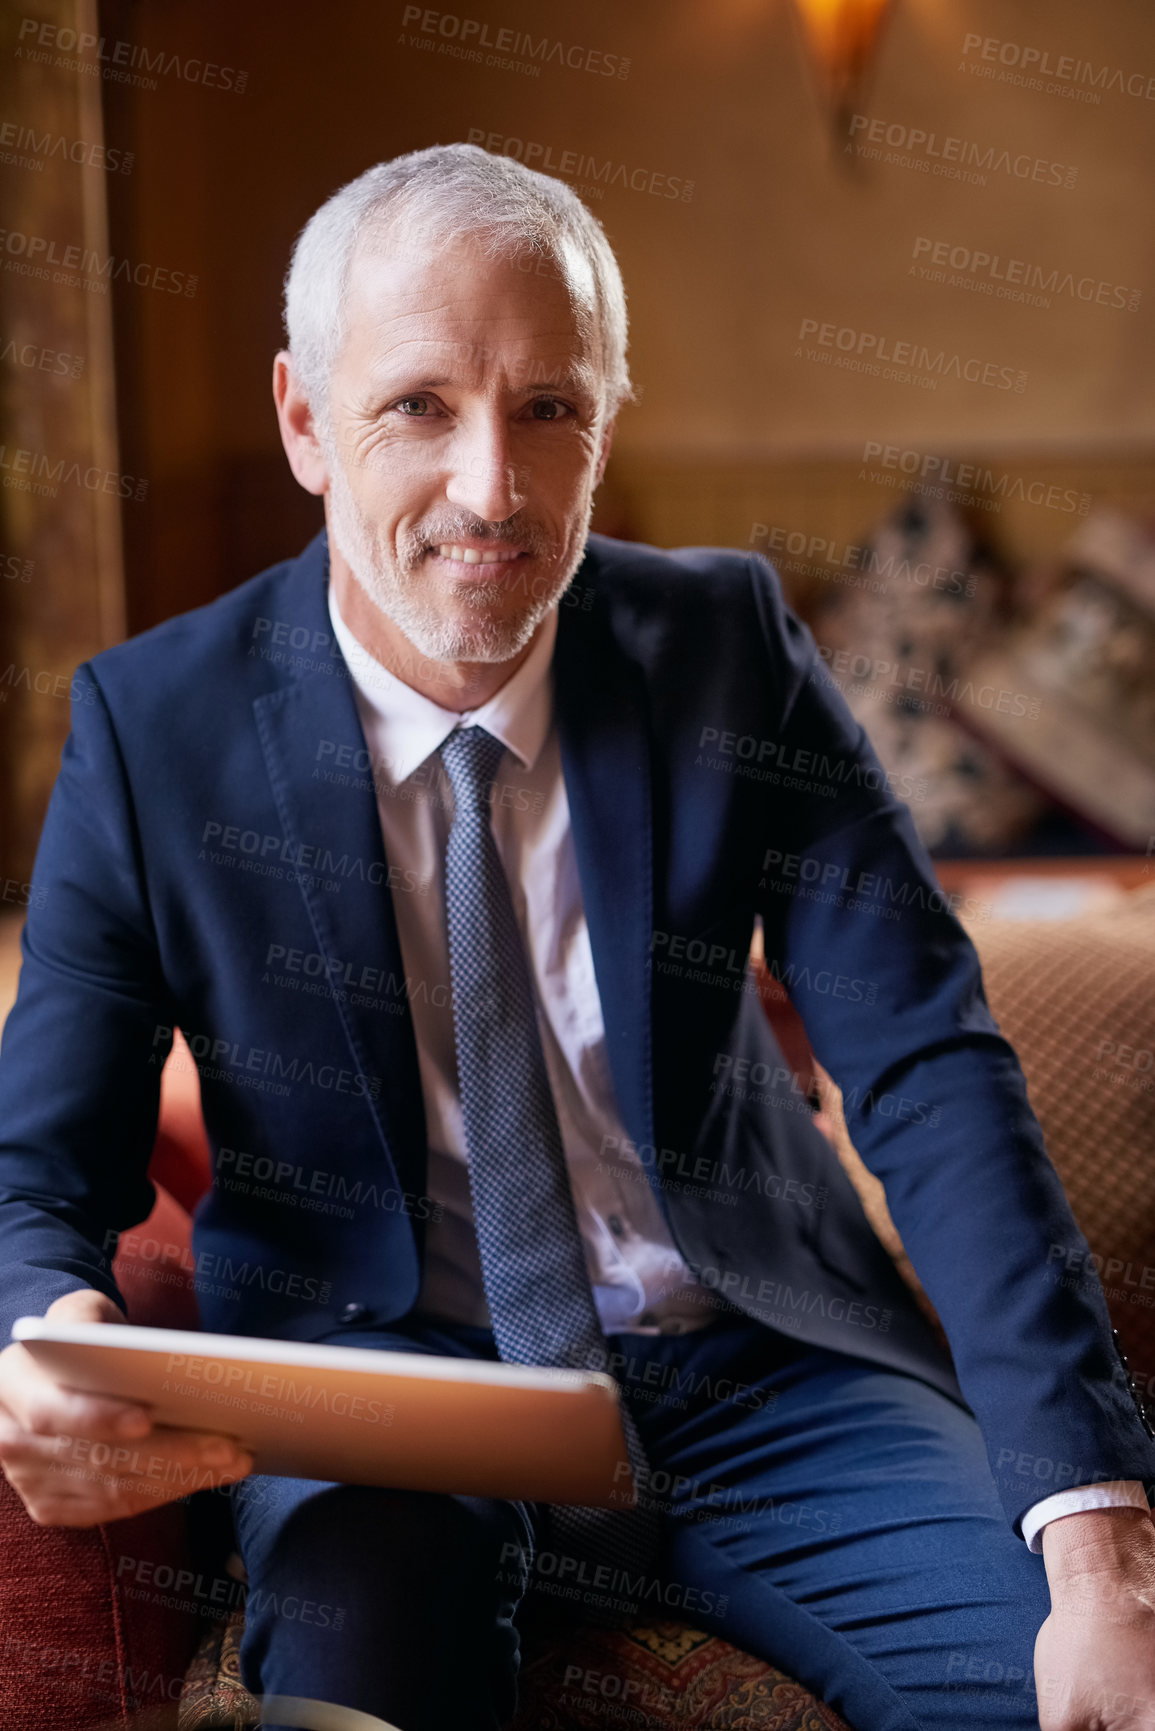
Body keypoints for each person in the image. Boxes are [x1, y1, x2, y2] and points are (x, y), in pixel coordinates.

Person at [0, 143, 1152, 1731]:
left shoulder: (727, 651)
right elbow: (39, 1178)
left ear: (606, 420)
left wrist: (1101, 1548)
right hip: (385, 1396)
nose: (493, 490)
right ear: (302, 422)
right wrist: (37, 1336)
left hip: (768, 1365)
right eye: (419, 406)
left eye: (550, 407)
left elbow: (932, 1070)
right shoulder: (154, 729)